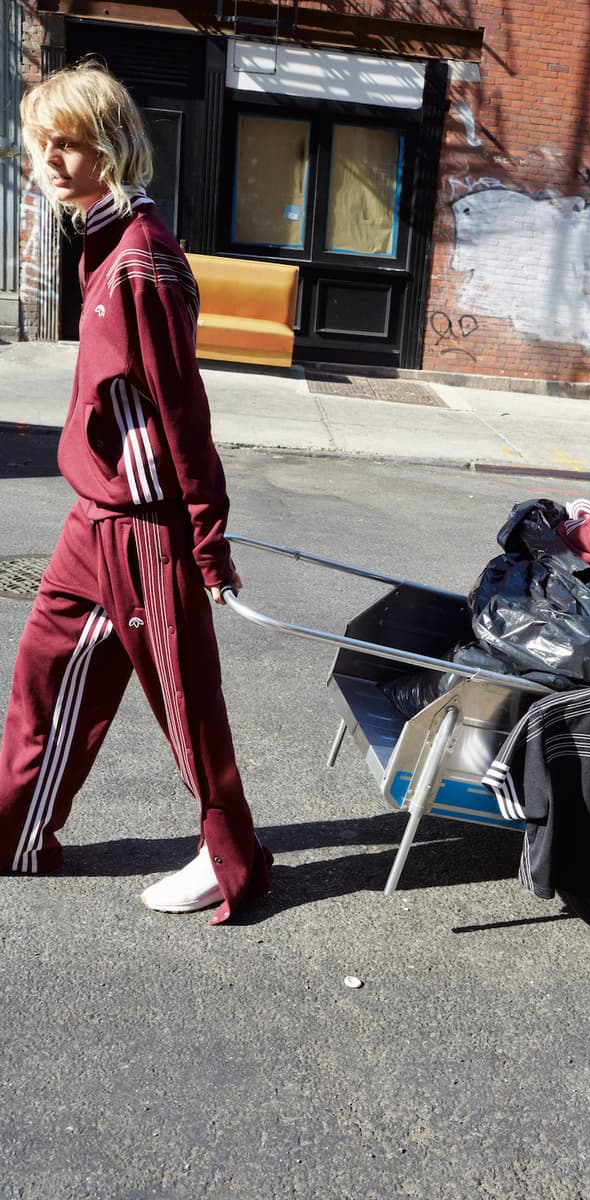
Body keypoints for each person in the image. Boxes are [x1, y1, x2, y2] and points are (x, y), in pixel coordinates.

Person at [0, 59, 272, 923]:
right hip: (96, 514)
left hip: (145, 522)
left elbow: (180, 413)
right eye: (41, 142)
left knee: (185, 702)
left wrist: (205, 536)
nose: (49, 159)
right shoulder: (101, 242)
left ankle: (234, 860)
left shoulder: (140, 264)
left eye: (68, 144)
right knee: (45, 667)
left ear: (111, 147)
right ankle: (13, 832)